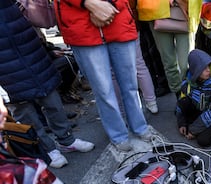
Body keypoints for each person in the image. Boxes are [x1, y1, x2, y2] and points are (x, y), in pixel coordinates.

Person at [0, 0, 95, 169]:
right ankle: (47, 149)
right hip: (6, 68)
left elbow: (33, 19)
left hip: (32, 52)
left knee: (53, 102)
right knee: (25, 113)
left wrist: (47, 49)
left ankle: (67, 140)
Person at [56, 0, 152, 152]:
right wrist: (88, 4)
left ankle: (139, 127)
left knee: (130, 85)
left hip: (118, 20)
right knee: (103, 91)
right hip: (81, 27)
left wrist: (107, 6)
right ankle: (118, 135)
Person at [137, 0, 191, 97]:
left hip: (184, 8)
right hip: (156, 11)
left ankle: (190, 95)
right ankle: (180, 98)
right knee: (169, 63)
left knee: (186, 64)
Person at [175, 49, 211, 147]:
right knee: (184, 101)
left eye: (209, 66)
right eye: (204, 67)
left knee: (203, 141)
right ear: (195, 70)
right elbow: (180, 104)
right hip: (197, 110)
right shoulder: (186, 83)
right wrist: (181, 123)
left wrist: (193, 130)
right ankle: (194, 124)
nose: (208, 70)